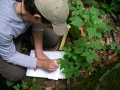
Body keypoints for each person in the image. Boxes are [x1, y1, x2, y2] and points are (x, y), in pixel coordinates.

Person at [0, 0, 69, 84]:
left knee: (52, 38)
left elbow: (36, 22)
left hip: (22, 24)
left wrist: (39, 52)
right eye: (50, 26)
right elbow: (9, 55)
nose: (51, 28)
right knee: (15, 74)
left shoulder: (32, 7)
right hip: (5, 37)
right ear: (36, 17)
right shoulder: (3, 29)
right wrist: (40, 63)